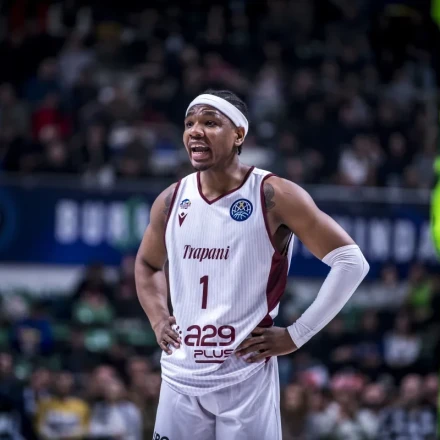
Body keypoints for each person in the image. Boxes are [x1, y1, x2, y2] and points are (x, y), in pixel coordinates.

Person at [135, 89, 369, 439]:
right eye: (189, 123)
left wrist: (296, 335)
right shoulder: (171, 200)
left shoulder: (273, 194)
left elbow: (351, 261)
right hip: (179, 377)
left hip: (245, 376)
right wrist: (157, 319)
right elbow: (147, 264)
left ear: (239, 134)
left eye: (210, 122)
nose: (195, 131)